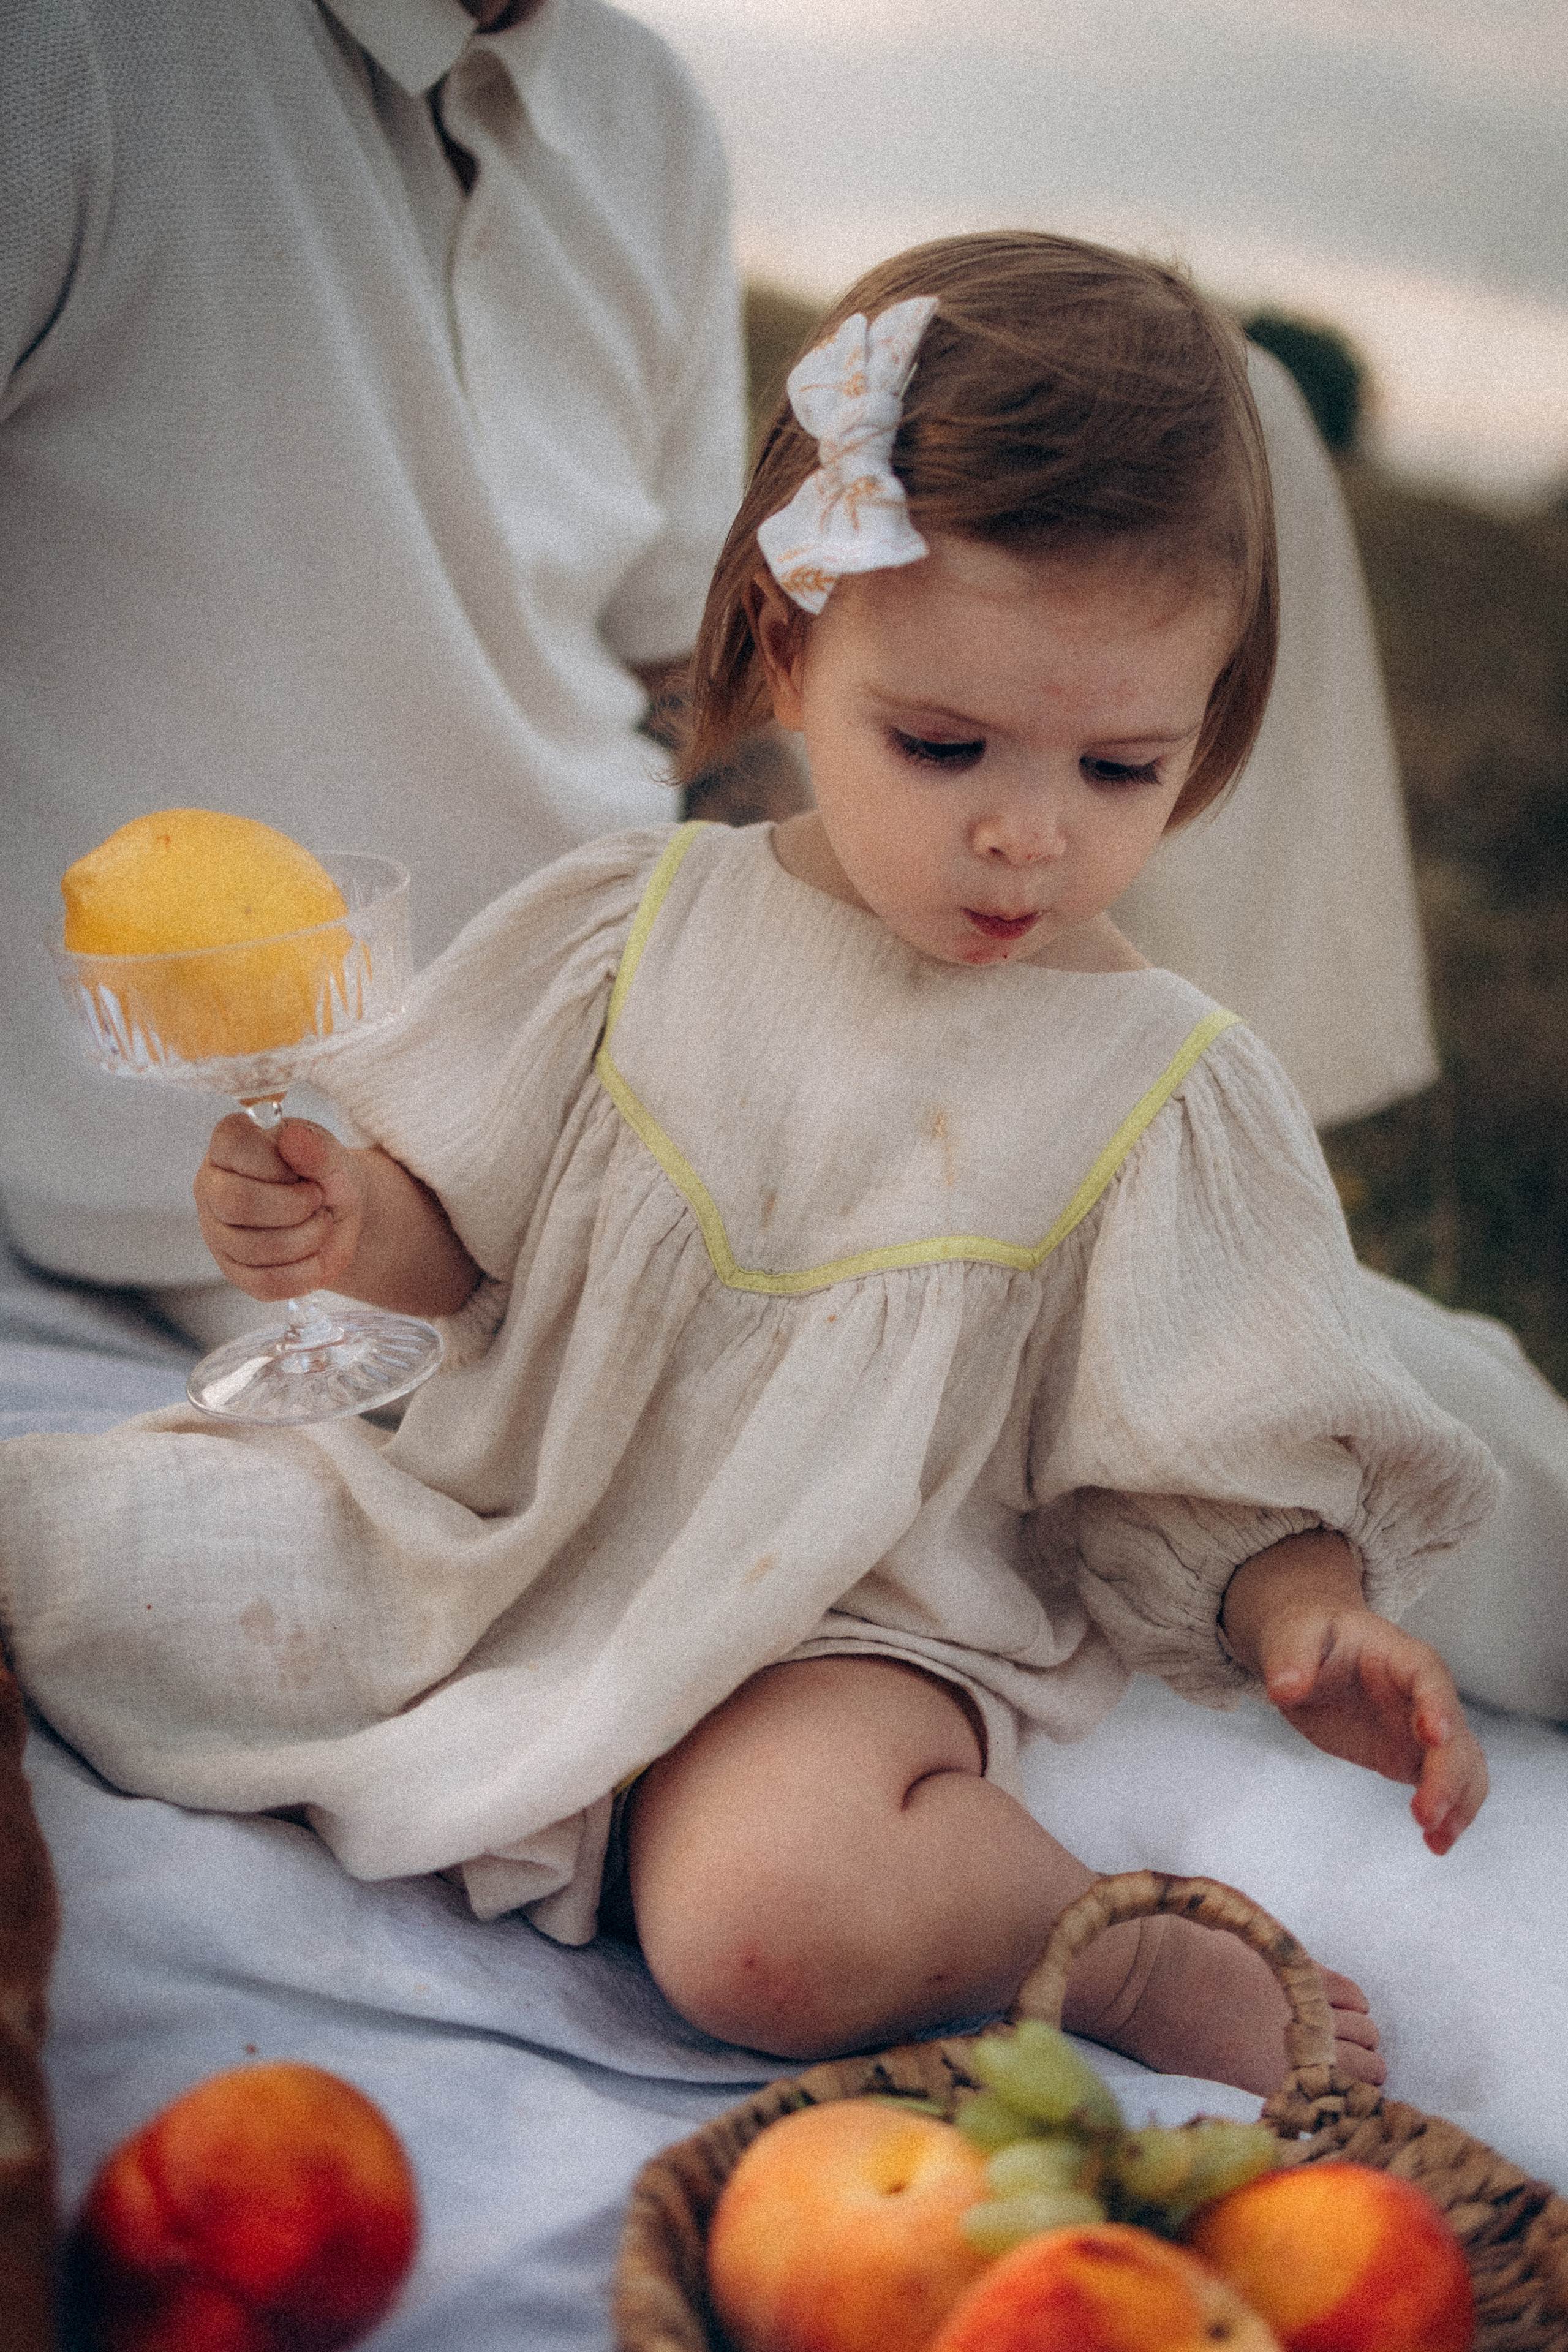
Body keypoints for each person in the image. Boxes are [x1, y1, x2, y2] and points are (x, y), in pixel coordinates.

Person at [0, 234, 1498, 2095]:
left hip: (846, 1634)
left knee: (762, 1920)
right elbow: (460, 1241)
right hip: (511, 1537)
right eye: (942, 744)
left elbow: (1228, 1440)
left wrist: (1308, 1616)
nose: (1027, 835)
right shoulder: (638, 932)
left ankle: (1103, 1945)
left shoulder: (1154, 1083)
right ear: (791, 654)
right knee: (72, 1549)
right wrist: (345, 1221)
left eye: (1119, 770)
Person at [0, 0, 748, 1343]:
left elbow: (682, 663)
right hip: (221, 1209)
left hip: (611, 1136)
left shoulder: (654, 112)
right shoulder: (69, 46)